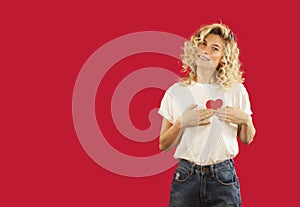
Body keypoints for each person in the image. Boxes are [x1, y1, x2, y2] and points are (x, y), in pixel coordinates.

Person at [158, 23, 256, 207]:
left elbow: (247, 139)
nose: (205, 51)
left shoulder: (236, 91)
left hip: (223, 177)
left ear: (223, 58)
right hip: (186, 176)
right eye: (202, 43)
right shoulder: (175, 92)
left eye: (215, 48)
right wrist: (181, 123)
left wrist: (246, 120)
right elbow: (163, 144)